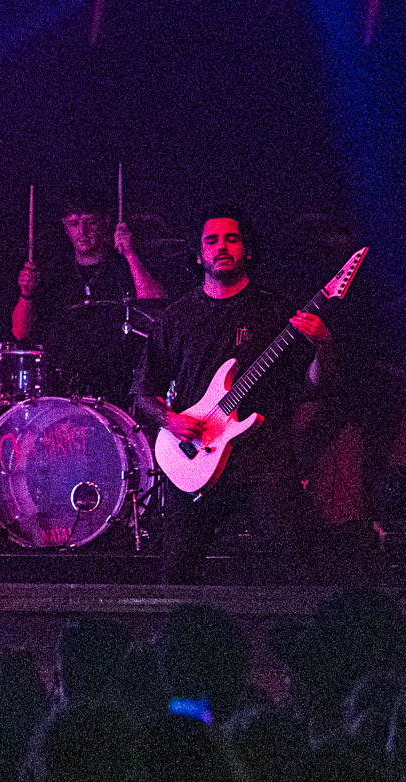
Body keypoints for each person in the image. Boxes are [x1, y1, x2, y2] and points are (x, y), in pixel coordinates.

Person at [131, 207, 331, 582]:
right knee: (175, 574)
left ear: (248, 250)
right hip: (194, 457)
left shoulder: (276, 312)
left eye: (232, 238)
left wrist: (323, 346)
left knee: (301, 568)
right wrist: (171, 421)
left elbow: (312, 386)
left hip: (263, 459)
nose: (222, 247)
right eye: (212, 240)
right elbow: (143, 393)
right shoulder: (176, 318)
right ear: (198, 255)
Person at [13, 188, 169, 402]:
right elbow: (20, 332)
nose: (82, 232)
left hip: (119, 384)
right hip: (63, 389)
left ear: (106, 223)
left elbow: (156, 306)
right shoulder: (54, 272)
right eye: (74, 224)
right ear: (65, 227)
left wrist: (130, 254)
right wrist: (26, 294)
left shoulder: (124, 266)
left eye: (91, 222)